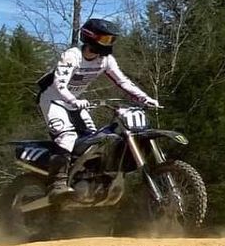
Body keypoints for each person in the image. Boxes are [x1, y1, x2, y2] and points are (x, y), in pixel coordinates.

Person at [34, 17, 159, 201]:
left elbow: (122, 81)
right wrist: (73, 100)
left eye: (111, 40)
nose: (108, 44)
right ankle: (57, 184)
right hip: (53, 100)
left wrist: (144, 98)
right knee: (67, 136)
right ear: (91, 37)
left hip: (75, 101)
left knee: (94, 141)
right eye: (105, 39)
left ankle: (85, 179)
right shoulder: (72, 56)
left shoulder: (105, 60)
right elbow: (59, 85)